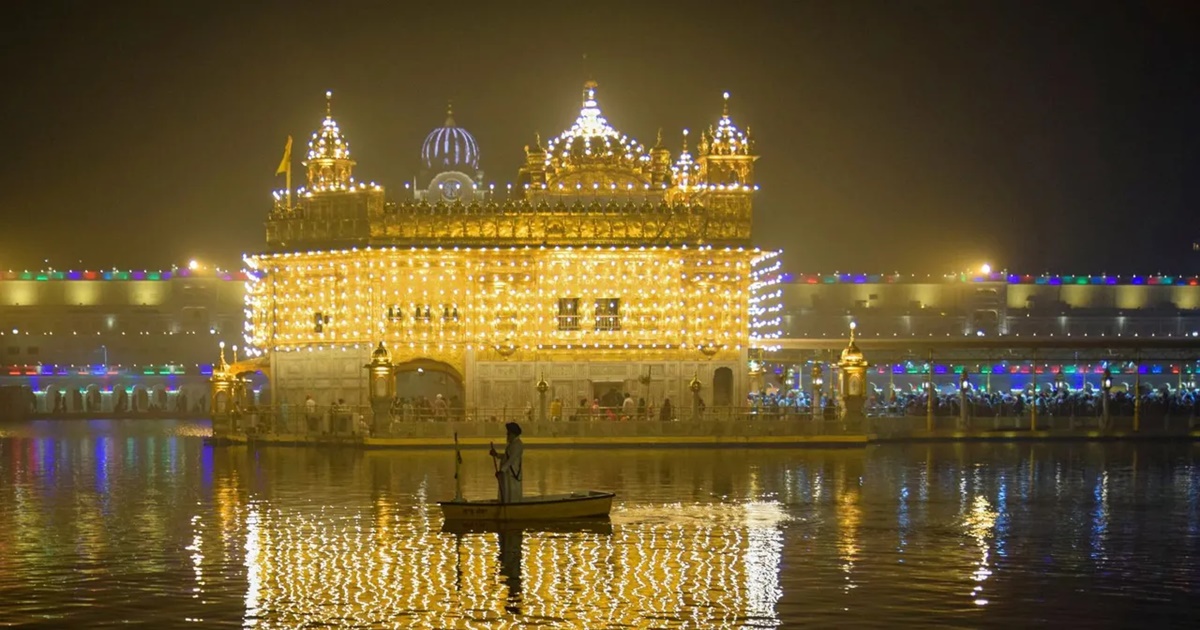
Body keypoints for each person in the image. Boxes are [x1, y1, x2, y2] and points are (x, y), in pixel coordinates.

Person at [490, 422, 524, 503]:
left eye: (508, 434)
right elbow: (506, 456)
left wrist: (501, 471)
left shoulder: (518, 445)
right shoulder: (512, 444)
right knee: (506, 492)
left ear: (513, 434)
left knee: (512, 495)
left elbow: (510, 460)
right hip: (507, 474)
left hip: (513, 475)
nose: (507, 436)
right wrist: (496, 454)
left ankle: (512, 508)